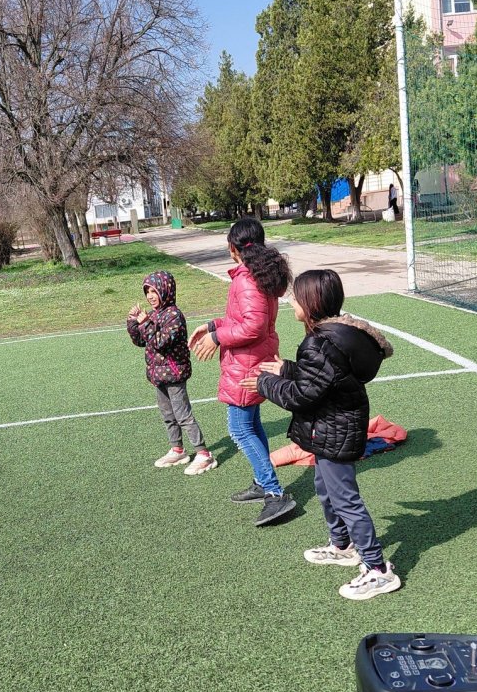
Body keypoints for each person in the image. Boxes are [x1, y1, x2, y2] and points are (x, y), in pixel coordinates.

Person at [245, 268, 401, 600]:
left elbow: (301, 395)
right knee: (325, 490)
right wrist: (287, 369)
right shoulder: (336, 335)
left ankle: (377, 569)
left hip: (334, 429)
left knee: (346, 499)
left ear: (311, 302)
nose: (291, 302)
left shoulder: (319, 343)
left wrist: (265, 383)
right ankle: (342, 545)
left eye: (296, 297)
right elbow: (325, 377)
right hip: (331, 426)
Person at [188, 216, 295, 527]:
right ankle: (263, 483)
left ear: (234, 247)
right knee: (251, 424)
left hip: (247, 362)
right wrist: (212, 326)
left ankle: (275, 494)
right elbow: (243, 319)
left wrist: (217, 337)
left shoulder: (248, 279)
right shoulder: (256, 275)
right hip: (249, 358)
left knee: (239, 429)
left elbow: (253, 326)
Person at [127, 270, 217, 476]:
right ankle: (178, 449)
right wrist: (133, 323)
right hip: (158, 375)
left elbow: (160, 341)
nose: (150, 296)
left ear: (165, 291)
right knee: (168, 415)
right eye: (147, 291)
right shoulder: (153, 315)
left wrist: (145, 323)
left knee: (183, 415)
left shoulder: (174, 315)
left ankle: (203, 453)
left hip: (174, 374)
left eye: (154, 291)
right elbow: (142, 341)